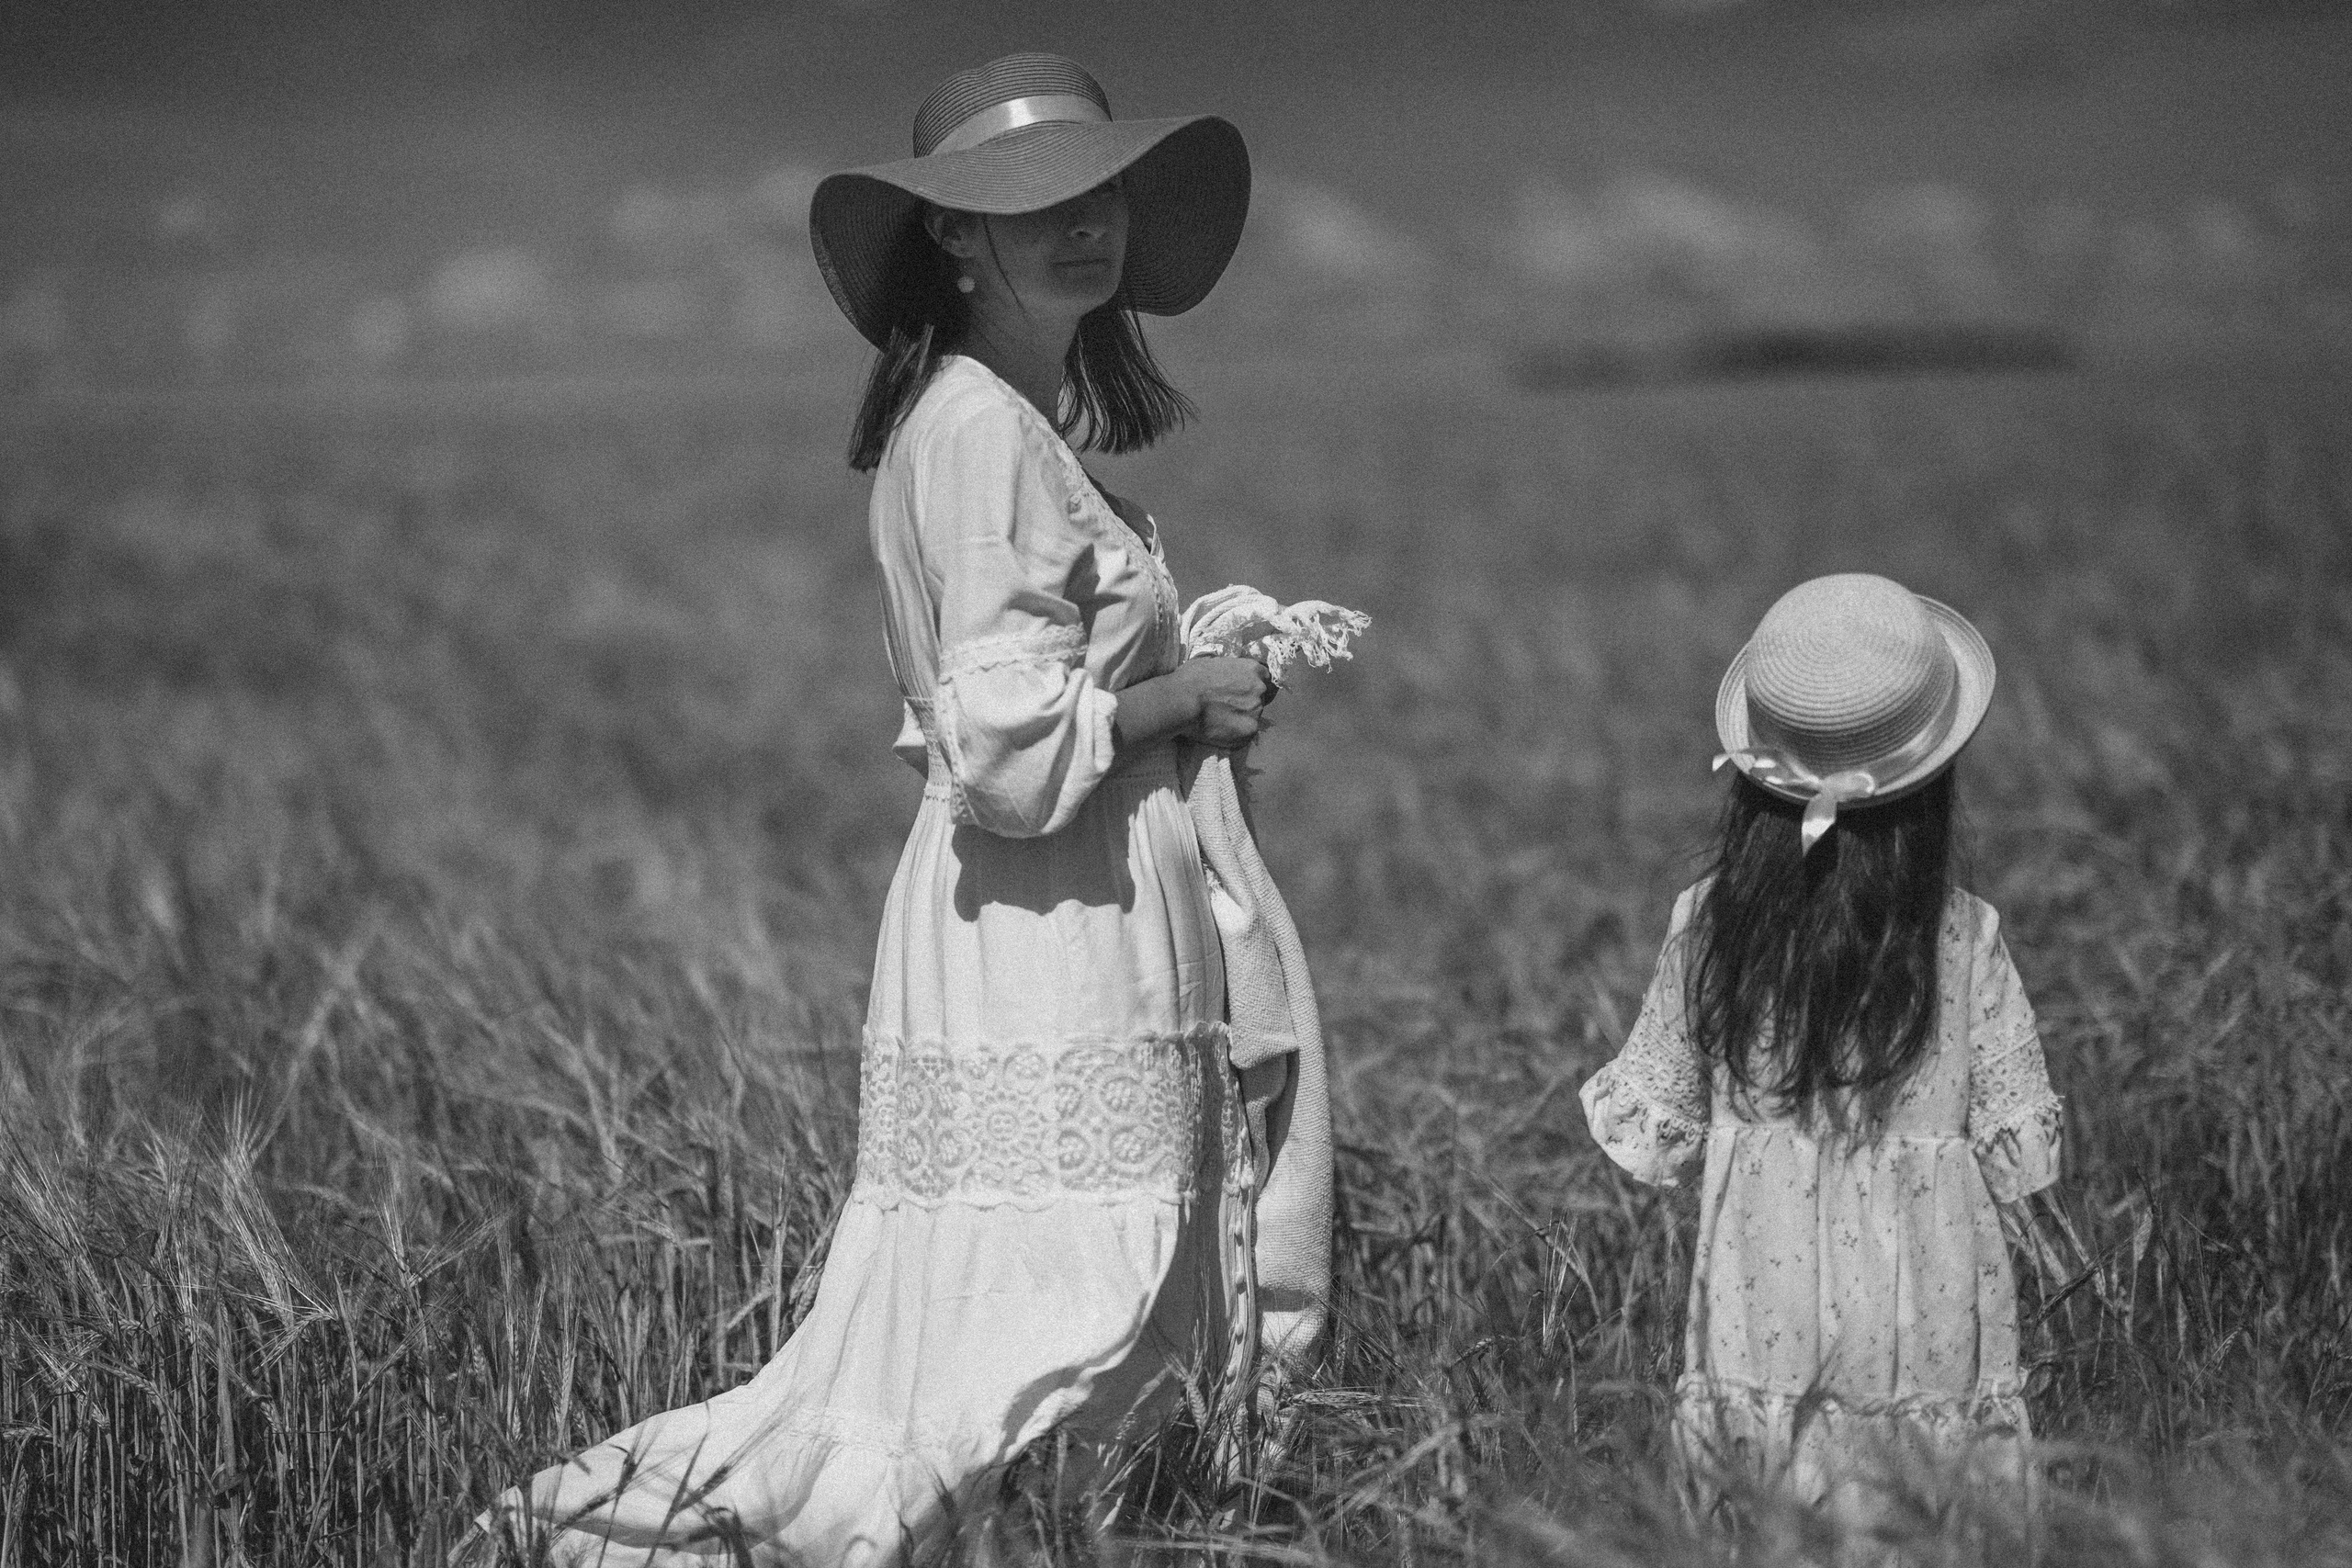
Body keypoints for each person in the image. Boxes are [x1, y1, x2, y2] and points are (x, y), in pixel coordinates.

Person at [465, 52, 1310, 1566]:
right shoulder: (979, 425)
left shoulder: (1003, 417)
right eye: (1027, 203)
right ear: (956, 242)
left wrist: (1188, 682)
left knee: (1049, 1290)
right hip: (1046, 908)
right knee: (1056, 1290)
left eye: (1097, 189)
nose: (1082, 223)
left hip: (1069, 895)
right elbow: (998, 745)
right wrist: (1184, 703)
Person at [1579, 573, 2064, 1519]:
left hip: (1760, 1316)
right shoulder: (1963, 941)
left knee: (1768, 1520)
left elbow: (1656, 1136)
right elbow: (2019, 1149)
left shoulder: (1711, 928)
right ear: (1934, 777)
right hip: (1925, 1314)